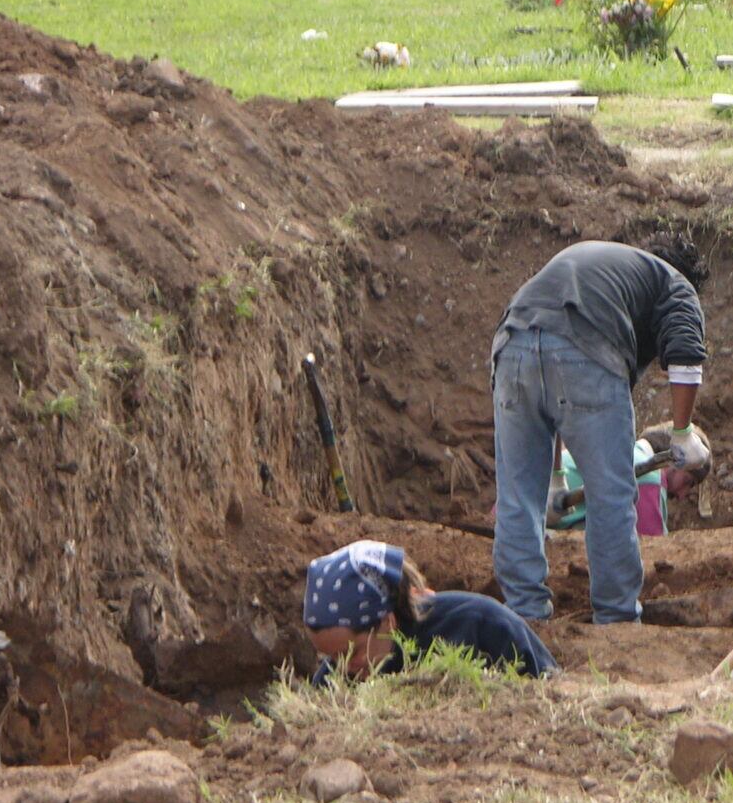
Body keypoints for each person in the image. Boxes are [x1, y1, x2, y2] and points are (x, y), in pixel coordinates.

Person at [492, 238, 712, 622]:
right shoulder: (675, 282)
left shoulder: (604, 272)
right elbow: (686, 357)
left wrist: (556, 475)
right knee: (611, 496)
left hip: (511, 346)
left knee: (518, 497)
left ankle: (525, 615)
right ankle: (616, 619)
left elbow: (550, 361)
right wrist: (682, 432)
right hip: (584, 351)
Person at [304, 540, 557, 682]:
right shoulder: (331, 682)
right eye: (332, 657)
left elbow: (551, 689)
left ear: (388, 622)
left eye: (351, 652)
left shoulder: (481, 625)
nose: (345, 668)